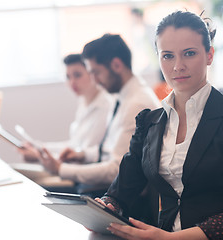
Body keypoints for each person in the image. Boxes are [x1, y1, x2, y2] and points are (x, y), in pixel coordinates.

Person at [96, 10, 223, 240]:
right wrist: (104, 209)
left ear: (209, 55)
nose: (178, 66)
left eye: (189, 53)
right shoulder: (149, 122)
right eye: (167, 56)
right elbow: (119, 193)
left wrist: (168, 239)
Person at [37, 34, 161, 195]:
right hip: (106, 189)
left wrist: (61, 169)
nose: (94, 80)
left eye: (96, 72)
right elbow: (111, 150)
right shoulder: (123, 97)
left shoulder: (136, 104)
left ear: (116, 65)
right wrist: (82, 154)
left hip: (120, 197)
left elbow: (117, 169)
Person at [18, 53, 114, 165]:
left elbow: (83, 155)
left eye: (77, 75)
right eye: (68, 77)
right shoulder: (83, 102)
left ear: (92, 73)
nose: (72, 82)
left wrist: (39, 156)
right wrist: (38, 146)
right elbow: (73, 145)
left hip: (83, 173)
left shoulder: (105, 106)